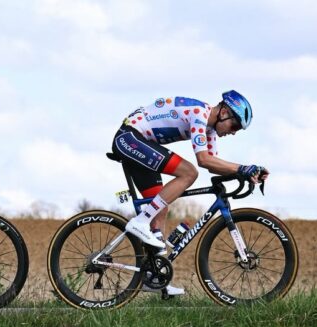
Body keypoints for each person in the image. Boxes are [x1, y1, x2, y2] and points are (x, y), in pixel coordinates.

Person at [110, 90, 267, 295]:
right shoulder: (199, 114)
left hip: (141, 142)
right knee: (188, 172)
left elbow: (213, 165)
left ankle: (154, 277)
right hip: (130, 137)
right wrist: (241, 168)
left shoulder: (209, 130)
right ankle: (140, 223)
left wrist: (246, 172)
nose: (234, 132)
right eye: (235, 125)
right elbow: (203, 160)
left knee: (161, 204)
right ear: (224, 112)